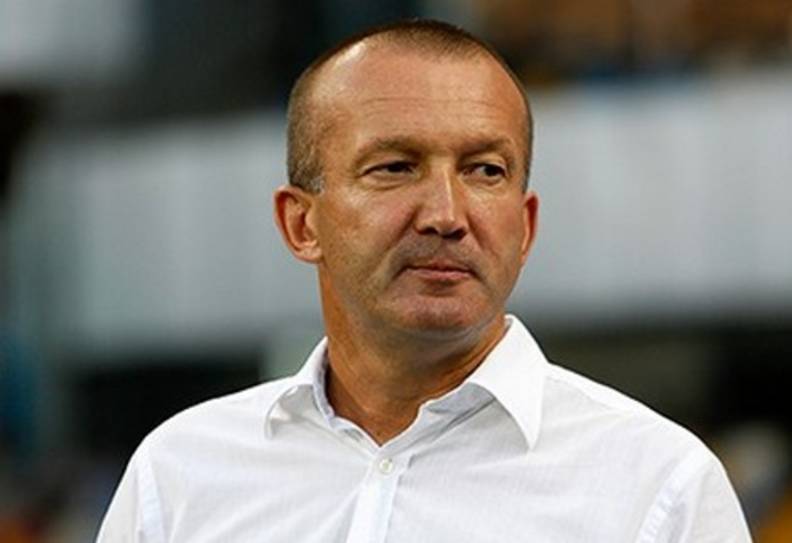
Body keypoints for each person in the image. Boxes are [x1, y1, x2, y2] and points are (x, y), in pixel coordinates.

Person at [97, 19, 751, 542]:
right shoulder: (180, 475)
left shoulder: (656, 484)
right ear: (301, 223)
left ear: (525, 226)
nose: (446, 214)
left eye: (485, 170)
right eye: (394, 167)